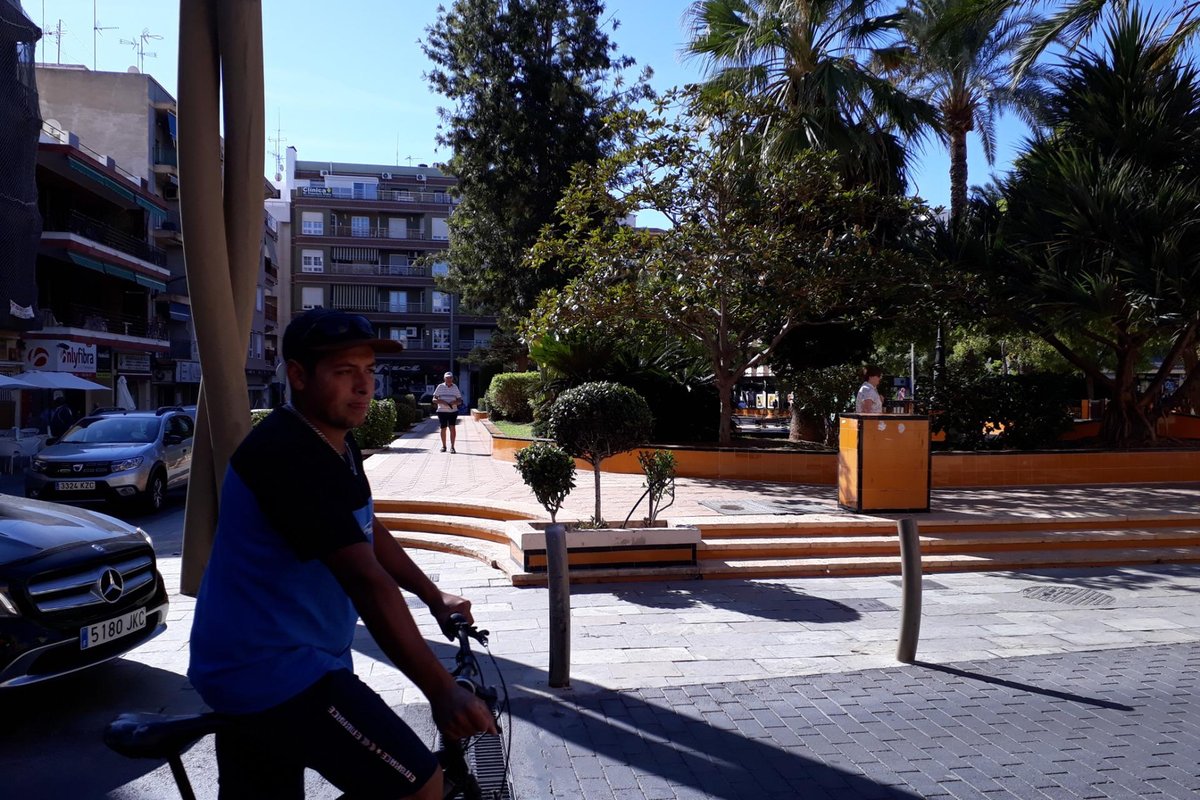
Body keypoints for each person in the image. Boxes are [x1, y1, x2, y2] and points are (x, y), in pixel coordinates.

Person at [188, 308, 495, 800]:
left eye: (369, 370)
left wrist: (432, 594)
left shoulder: (333, 443)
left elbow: (365, 528)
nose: (364, 385)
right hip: (272, 669)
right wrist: (440, 689)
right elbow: (368, 583)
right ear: (298, 376)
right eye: (344, 371)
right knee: (422, 785)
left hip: (283, 659)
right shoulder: (288, 454)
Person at [432, 371, 462, 453]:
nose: (449, 379)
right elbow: (434, 399)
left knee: (452, 428)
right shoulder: (440, 386)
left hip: (453, 411)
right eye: (447, 378)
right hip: (442, 411)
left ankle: (452, 447)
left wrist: (454, 402)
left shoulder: (455, 387)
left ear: (452, 379)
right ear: (444, 378)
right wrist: (441, 401)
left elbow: (460, 401)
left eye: (450, 378)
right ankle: (444, 446)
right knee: (443, 428)